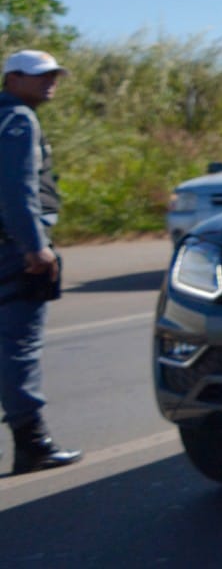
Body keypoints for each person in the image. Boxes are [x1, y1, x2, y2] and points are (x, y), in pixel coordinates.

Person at [1, 48, 84, 474]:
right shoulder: (17, 119)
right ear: (12, 80)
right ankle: (32, 443)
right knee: (18, 344)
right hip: (11, 249)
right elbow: (17, 190)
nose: (49, 82)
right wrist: (35, 246)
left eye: (53, 75)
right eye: (38, 76)